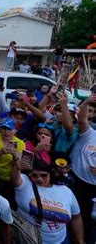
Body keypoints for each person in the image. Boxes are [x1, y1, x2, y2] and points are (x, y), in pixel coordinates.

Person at [11, 159, 84, 244]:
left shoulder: (66, 191)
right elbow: (15, 179)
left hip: (61, 240)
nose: (40, 179)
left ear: (50, 174)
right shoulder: (25, 184)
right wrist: (16, 168)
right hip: (31, 239)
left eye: (44, 175)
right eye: (34, 175)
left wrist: (80, 241)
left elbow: (76, 217)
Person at [68, 95, 96, 243]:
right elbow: (82, 120)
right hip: (77, 181)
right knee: (74, 215)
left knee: (90, 220)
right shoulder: (90, 134)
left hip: (94, 188)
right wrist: (87, 102)